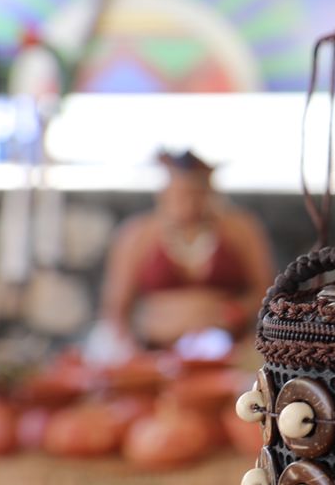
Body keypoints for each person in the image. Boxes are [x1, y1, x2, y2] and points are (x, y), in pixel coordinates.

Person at [100, 150, 275, 350]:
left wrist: (236, 313)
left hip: (229, 347)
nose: (189, 202)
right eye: (180, 193)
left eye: (196, 193)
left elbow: (265, 291)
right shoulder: (137, 235)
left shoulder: (241, 229)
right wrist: (132, 350)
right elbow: (116, 308)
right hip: (154, 348)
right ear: (165, 192)